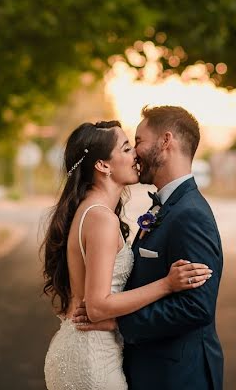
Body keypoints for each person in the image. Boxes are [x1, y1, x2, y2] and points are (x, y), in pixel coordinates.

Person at [42, 120, 213, 390]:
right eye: (125, 148)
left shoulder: (92, 212)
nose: (135, 153)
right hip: (92, 360)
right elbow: (97, 306)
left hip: (85, 350)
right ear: (103, 165)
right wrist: (167, 284)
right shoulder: (101, 218)